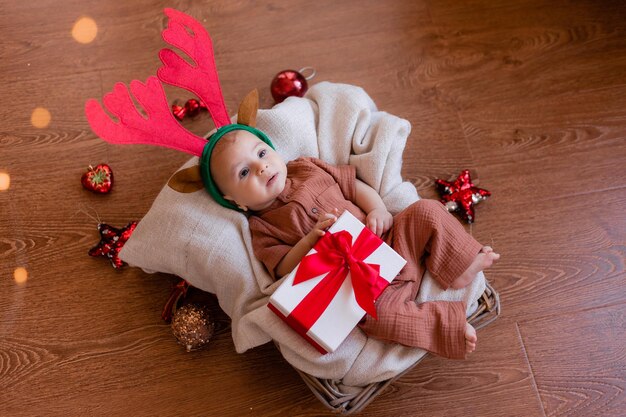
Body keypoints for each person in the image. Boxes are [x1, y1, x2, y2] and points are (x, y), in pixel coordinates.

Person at [209, 128, 500, 359]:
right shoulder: (261, 226)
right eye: (244, 172)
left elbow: (354, 187)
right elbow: (282, 267)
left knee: (425, 210)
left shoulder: (306, 167)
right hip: (361, 290)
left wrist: (378, 210)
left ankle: (460, 264)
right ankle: (446, 327)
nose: (261, 167)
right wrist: (311, 240)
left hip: (389, 242)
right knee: (378, 321)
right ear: (237, 202)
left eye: (261, 153)